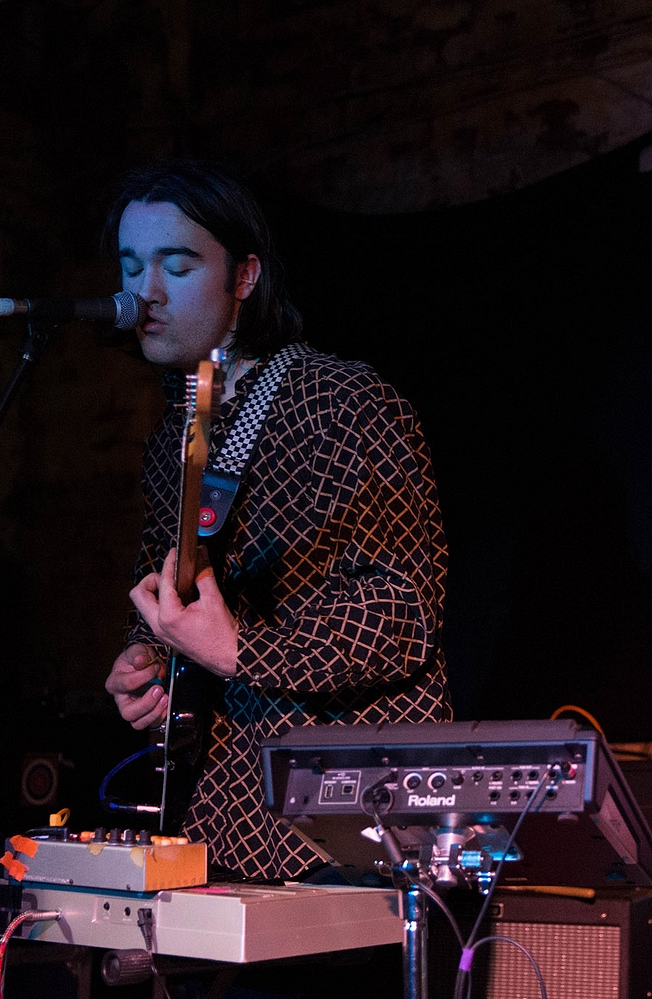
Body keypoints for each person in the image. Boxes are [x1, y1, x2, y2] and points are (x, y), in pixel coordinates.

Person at [101, 161, 450, 880]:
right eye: (131, 265)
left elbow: (404, 609)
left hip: (340, 832)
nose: (146, 292)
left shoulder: (340, 400)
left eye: (177, 264)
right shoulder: (176, 436)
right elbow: (181, 600)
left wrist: (238, 650)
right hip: (213, 824)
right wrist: (150, 663)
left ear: (245, 275)